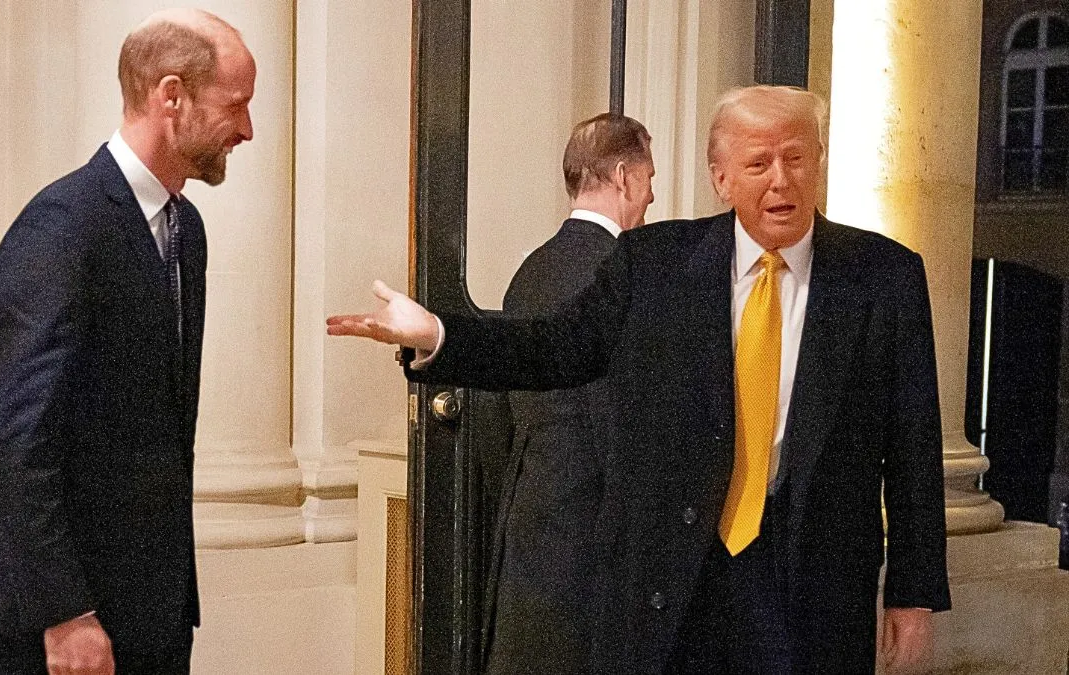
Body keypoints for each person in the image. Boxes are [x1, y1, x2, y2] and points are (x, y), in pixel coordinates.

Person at [328, 85, 950, 674]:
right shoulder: (655, 263)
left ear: (818, 163)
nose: (781, 180)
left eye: (796, 157)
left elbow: (913, 445)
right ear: (721, 177)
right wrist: (439, 334)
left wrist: (913, 593)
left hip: (813, 584)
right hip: (677, 578)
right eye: (759, 164)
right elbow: (556, 347)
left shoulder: (883, 276)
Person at [0, 9, 255, 674]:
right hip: (65, 629)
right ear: (171, 95)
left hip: (153, 617)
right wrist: (66, 612)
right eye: (236, 104)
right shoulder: (62, 225)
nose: (246, 129)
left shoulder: (187, 230)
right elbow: (19, 438)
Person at [486, 113, 654, 675]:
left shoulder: (531, 268)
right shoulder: (624, 272)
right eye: (650, 178)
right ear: (626, 177)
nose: (652, 196)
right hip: (597, 533)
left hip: (531, 518)